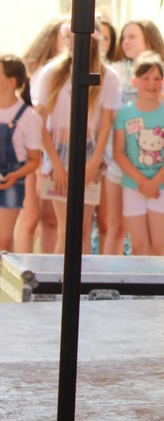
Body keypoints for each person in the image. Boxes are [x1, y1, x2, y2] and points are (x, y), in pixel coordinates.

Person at [36, 24, 121, 255]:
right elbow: (39, 122)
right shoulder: (52, 73)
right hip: (58, 154)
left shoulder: (108, 77)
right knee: (66, 230)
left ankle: (82, 276)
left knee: (82, 229)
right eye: (68, 37)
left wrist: (94, 162)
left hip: (90, 154)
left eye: (76, 38)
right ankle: (61, 277)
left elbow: (106, 123)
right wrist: (55, 163)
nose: (71, 43)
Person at [104, 19, 164, 255]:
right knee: (115, 228)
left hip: (155, 171)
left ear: (148, 39)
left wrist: (149, 78)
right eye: (123, 37)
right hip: (119, 162)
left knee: (156, 242)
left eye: (132, 36)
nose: (125, 42)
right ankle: (111, 276)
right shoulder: (113, 70)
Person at [113, 51, 164, 256]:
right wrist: (142, 182)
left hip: (163, 187)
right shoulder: (124, 113)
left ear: (163, 82)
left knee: (159, 246)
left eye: (157, 78)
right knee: (139, 246)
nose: (152, 84)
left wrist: (155, 183)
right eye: (146, 78)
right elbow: (119, 152)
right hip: (133, 186)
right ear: (135, 81)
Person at [14, 16, 70, 253]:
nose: (70, 40)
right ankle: (21, 265)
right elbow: (34, 118)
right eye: (65, 35)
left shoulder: (65, 71)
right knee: (30, 217)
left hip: (47, 153)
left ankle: (46, 266)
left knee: (49, 218)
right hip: (32, 152)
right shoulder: (41, 71)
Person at [0, 55, 42, 251]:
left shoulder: (29, 117)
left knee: (3, 240)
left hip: (10, 182)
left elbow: (34, 160)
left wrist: (14, 175)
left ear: (11, 82)